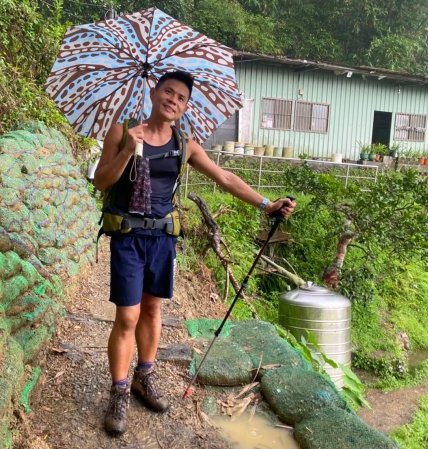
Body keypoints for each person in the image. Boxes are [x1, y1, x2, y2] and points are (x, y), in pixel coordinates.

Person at [93, 70, 295, 435]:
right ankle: (119, 391)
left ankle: (143, 378)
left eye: (181, 97)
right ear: (153, 94)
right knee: (127, 316)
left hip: (162, 240)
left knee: (152, 310)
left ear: (185, 107)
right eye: (168, 92)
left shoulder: (184, 145)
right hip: (128, 237)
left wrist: (266, 204)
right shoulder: (122, 131)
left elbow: (226, 178)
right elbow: (101, 180)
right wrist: (126, 151)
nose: (173, 99)